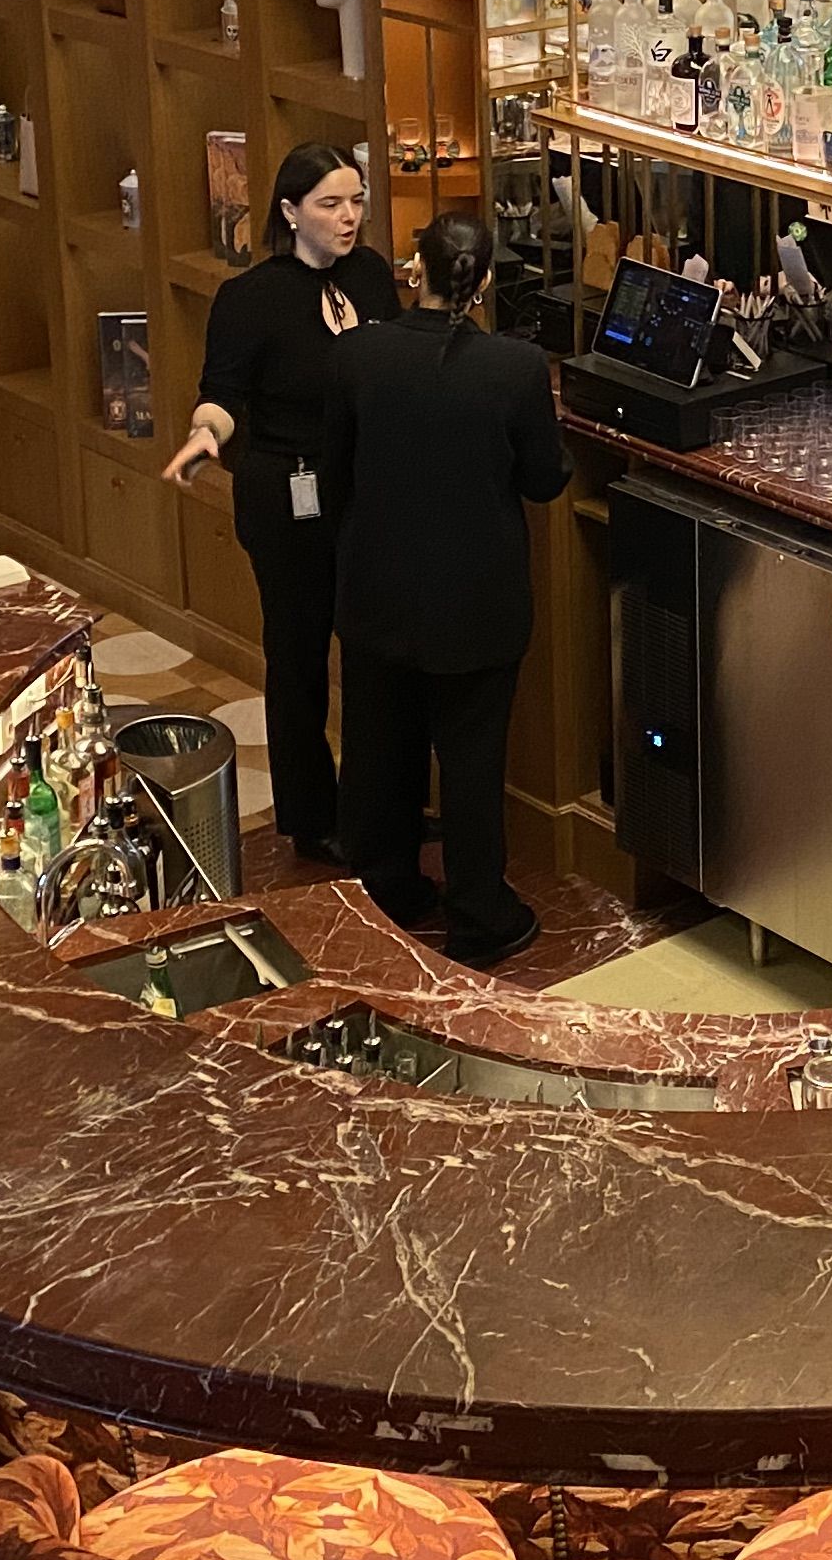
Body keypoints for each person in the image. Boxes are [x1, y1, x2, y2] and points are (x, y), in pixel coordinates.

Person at [319, 215, 569, 964]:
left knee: (378, 747)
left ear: (413, 269)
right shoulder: (515, 369)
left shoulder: (358, 355)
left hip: (377, 592)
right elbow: (545, 480)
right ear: (486, 281)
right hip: (477, 602)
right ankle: (478, 914)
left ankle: (386, 887)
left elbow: (333, 475)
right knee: (469, 762)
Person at [167, 144, 399, 865]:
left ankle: (375, 805)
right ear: (291, 212)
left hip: (361, 488)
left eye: (356, 201)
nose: (349, 217)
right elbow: (223, 395)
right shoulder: (251, 298)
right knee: (297, 656)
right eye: (331, 204)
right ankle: (309, 814)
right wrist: (204, 436)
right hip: (285, 491)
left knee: (374, 654)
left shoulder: (369, 276)